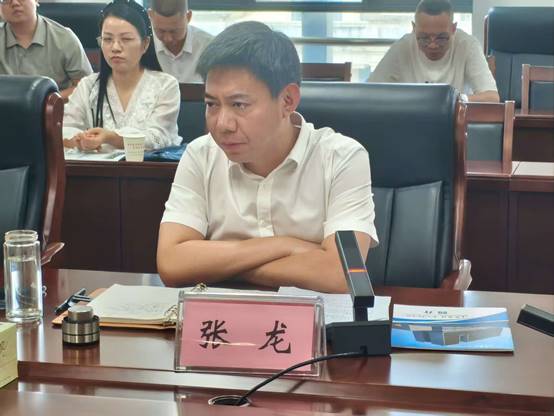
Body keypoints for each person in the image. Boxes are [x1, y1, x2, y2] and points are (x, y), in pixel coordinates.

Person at [157, 21, 378, 293]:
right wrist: (284, 246)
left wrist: (219, 266)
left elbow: (340, 274)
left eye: (239, 105)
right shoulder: (200, 155)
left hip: (312, 319)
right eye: (212, 104)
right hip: (222, 316)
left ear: (287, 100)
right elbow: (171, 263)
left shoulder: (342, 158)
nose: (222, 124)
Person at [63, 0, 181, 151]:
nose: (115, 47)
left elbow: (158, 137)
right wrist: (79, 140)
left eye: (126, 39)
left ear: (145, 44)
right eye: (107, 39)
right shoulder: (88, 85)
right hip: (95, 165)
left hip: (149, 166)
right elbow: (66, 129)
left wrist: (111, 138)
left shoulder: (165, 85)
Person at [369, 0, 499, 102]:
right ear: (414, 29)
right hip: (411, 119)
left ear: (453, 29)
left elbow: (492, 98)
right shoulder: (402, 47)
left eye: (441, 38)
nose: (432, 45)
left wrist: (454, 100)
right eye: (424, 38)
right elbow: (369, 93)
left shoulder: (467, 45)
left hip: (454, 122)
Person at [0, 0, 92, 101]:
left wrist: (50, 101)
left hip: (57, 108)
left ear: (36, 1)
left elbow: (86, 86)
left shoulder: (64, 38)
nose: (15, 3)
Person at [148, 0, 212, 83]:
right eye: (161, 31)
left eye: (174, 31)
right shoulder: (143, 45)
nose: (168, 38)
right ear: (150, 15)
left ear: (188, 17)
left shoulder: (208, 46)